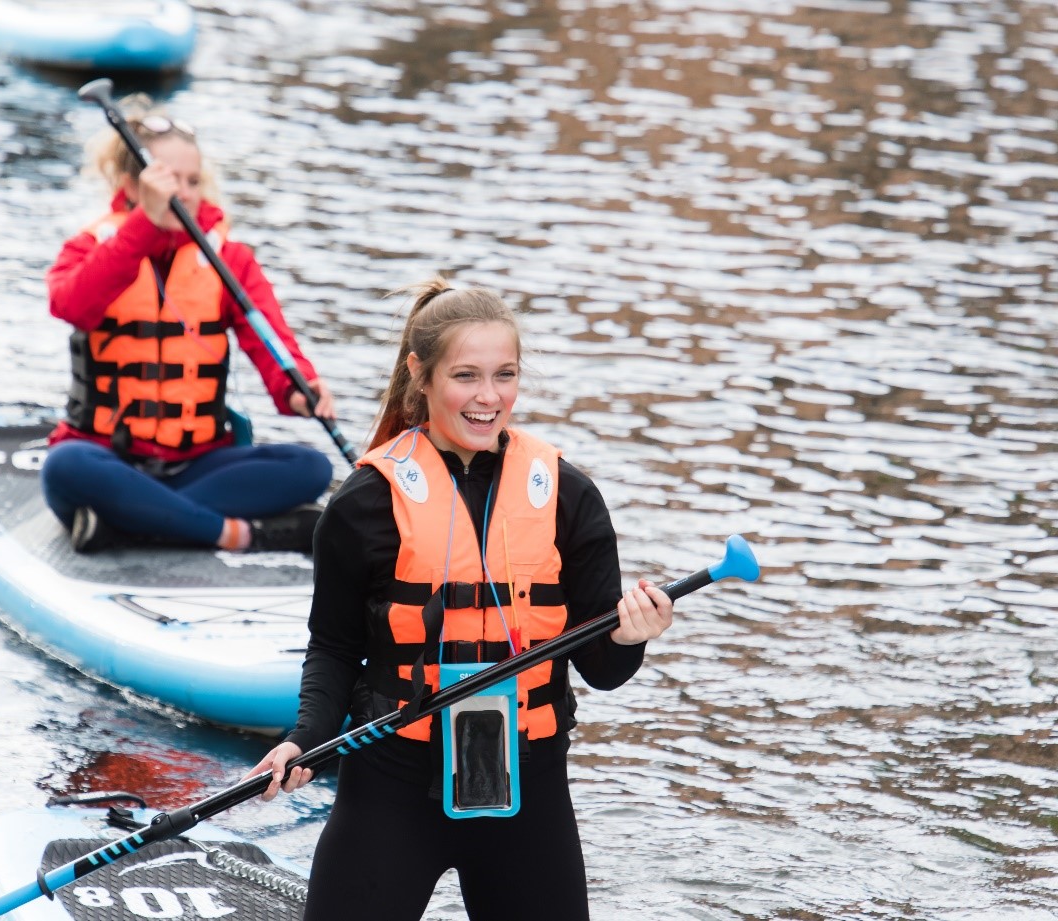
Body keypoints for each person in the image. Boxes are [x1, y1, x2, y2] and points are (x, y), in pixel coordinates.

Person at [246, 277, 675, 920]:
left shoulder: (568, 495)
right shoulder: (363, 505)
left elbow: (603, 672)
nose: (488, 397)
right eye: (467, 375)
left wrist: (630, 635)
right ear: (420, 373)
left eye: (505, 375)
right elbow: (334, 648)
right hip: (392, 779)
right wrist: (301, 739)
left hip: (528, 785)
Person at [41, 95, 337, 554]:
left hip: (199, 462)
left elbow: (271, 341)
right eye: (168, 180)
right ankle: (232, 533)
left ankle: (127, 523)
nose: (185, 192)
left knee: (310, 467)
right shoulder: (90, 246)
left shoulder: (229, 258)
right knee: (66, 466)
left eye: (193, 180)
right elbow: (70, 305)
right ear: (133, 186)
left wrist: (298, 387)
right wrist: (143, 226)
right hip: (105, 456)